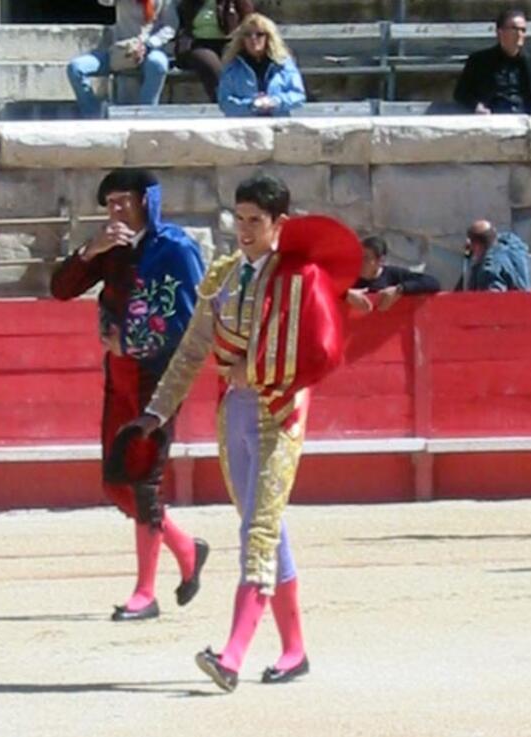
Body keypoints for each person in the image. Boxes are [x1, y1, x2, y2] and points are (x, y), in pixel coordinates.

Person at [125, 174, 361, 691]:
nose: (245, 228)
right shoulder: (224, 275)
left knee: (257, 530)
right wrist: (157, 411)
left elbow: (315, 349)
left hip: (280, 412)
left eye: (257, 220)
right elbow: (191, 351)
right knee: (266, 527)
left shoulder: (299, 276)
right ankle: (295, 650)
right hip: (234, 415)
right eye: (240, 218)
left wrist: (247, 373)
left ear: (280, 224)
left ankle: (231, 657)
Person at [51, 168, 209, 621]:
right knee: (115, 481)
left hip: (158, 376)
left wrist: (139, 340)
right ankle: (185, 548)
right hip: (119, 373)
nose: (116, 211)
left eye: (125, 201)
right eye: (110, 203)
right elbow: (60, 290)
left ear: (147, 202)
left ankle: (145, 592)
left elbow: (196, 315)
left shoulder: (176, 248)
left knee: (142, 481)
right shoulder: (110, 249)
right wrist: (88, 250)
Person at [67, 0, 179, 118]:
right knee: (75, 68)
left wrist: (149, 44)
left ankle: (146, 114)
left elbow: (170, 26)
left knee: (158, 64)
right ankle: (93, 114)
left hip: (149, 50)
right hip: (120, 51)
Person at [454, 8, 531, 115]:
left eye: (523, 30)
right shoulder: (479, 60)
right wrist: (477, 106)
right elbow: (461, 93)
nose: (520, 34)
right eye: (514, 29)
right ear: (500, 32)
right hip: (493, 116)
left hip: (529, 114)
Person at [218, 12, 306, 117]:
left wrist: (275, 101)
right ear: (242, 39)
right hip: (243, 126)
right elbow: (225, 103)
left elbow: (298, 96)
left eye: (259, 34)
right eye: (248, 34)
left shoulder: (283, 63)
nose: (253, 38)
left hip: (278, 124)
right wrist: (251, 105)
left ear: (269, 37)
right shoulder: (232, 65)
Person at [174, 0, 254, 102]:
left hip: (228, 43)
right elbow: (181, 25)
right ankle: (225, 104)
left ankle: (249, 102)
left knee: (240, 64)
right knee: (213, 67)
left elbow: (249, 20)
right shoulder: (190, 3)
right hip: (198, 44)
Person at [346, 235, 440, 313]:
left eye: (366, 258)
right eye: (359, 257)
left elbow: (432, 282)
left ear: (380, 260)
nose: (360, 262)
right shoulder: (348, 277)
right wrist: (346, 294)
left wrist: (399, 290)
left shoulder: (392, 274)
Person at [457, 219, 531, 291]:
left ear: (477, 245)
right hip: (524, 299)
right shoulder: (513, 246)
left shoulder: (489, 269)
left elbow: (493, 298)